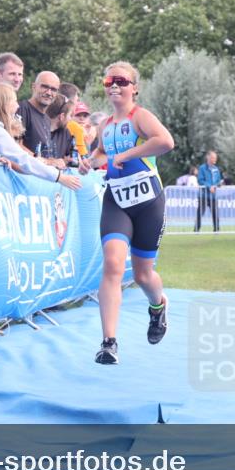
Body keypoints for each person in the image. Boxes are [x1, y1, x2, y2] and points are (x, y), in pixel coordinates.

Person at [78, 61, 175, 364]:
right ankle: (109, 343)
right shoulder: (105, 125)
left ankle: (158, 306)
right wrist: (90, 162)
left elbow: (165, 142)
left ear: (135, 88)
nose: (114, 86)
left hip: (148, 203)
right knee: (112, 265)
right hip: (117, 200)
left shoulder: (140, 117)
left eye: (121, 81)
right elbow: (102, 154)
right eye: (109, 82)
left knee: (143, 274)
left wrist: (128, 154)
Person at [0, 83, 83, 190]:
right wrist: (59, 177)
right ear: (5, 104)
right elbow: (23, 159)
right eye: (14, 101)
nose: (17, 106)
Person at [17, 71, 60, 155]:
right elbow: (15, 145)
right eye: (44, 87)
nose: (49, 93)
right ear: (34, 87)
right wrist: (42, 160)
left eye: (53, 90)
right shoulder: (22, 109)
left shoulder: (47, 120)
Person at [195, 150, 223, 232]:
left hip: (213, 196)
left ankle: (216, 230)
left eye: (215, 158)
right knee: (200, 213)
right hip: (203, 195)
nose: (215, 159)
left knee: (215, 213)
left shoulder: (216, 169)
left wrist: (218, 184)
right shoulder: (202, 168)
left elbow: (218, 180)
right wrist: (209, 187)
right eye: (213, 157)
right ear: (208, 157)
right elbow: (200, 180)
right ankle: (196, 229)